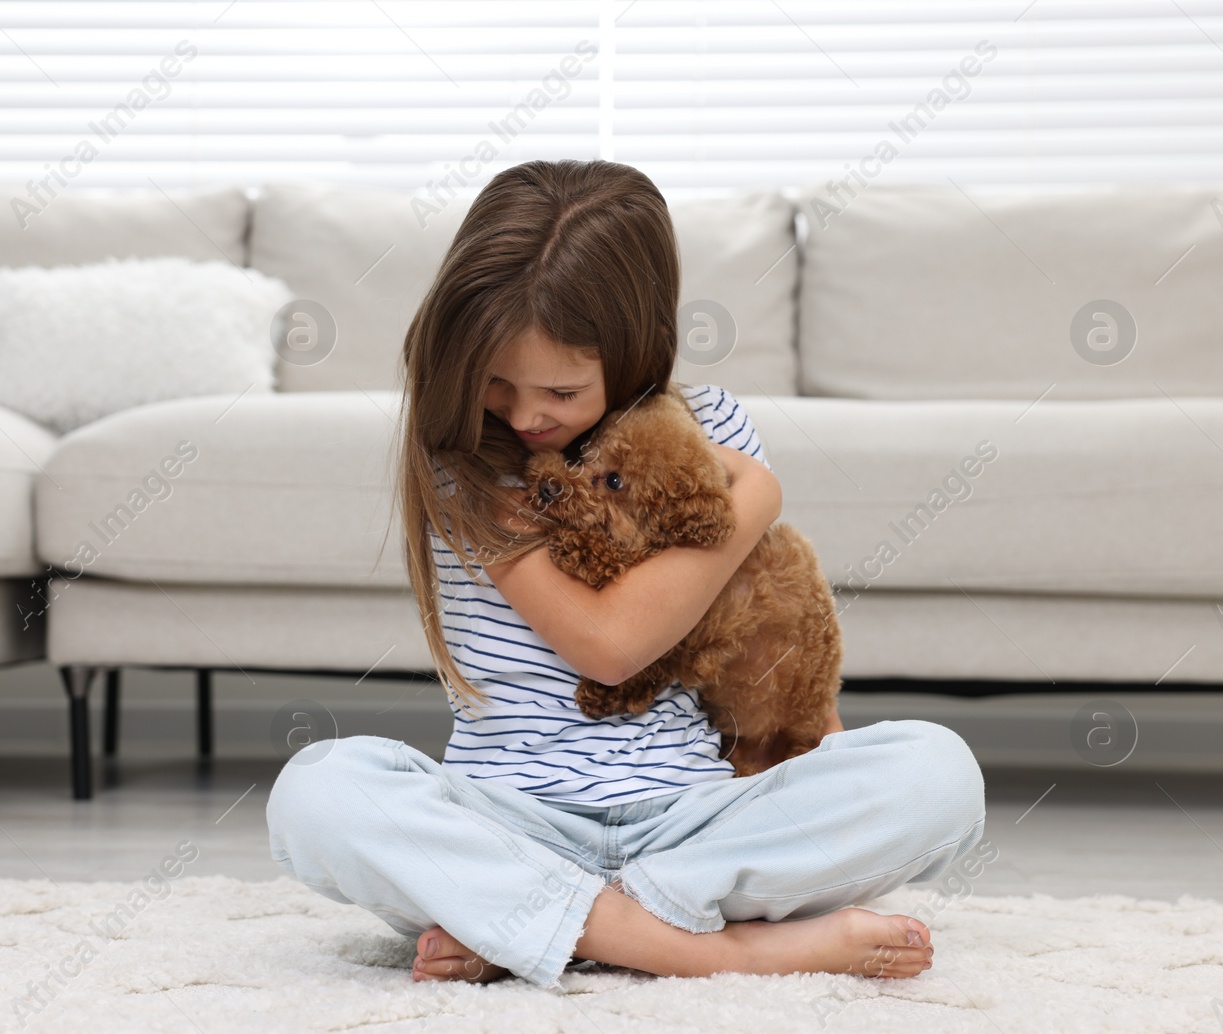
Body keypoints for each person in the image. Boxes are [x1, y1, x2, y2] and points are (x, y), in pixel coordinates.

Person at [266, 159, 986, 992]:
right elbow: (609, 646)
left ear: (634, 352)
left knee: (940, 771)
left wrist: (756, 495)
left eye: (561, 390)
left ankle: (533, 924)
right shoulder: (464, 459)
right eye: (496, 381)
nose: (526, 415)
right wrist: (755, 493)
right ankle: (705, 947)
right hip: (509, 819)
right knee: (318, 789)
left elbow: (754, 631)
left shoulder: (708, 424)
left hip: (692, 823)